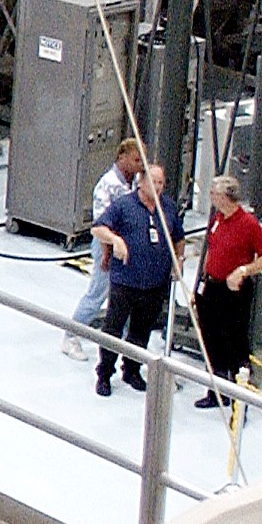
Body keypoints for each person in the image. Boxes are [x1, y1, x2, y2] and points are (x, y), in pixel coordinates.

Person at [93, 164, 187, 397]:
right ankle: (104, 373)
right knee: (113, 328)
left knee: (141, 330)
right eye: (153, 182)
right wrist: (115, 240)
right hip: (126, 281)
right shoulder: (124, 206)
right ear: (141, 182)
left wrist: (179, 260)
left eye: (161, 183)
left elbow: (179, 237)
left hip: (155, 283)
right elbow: (98, 228)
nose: (157, 187)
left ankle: (132, 369)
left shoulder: (168, 208)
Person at [191, 176, 262, 410]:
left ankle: (241, 399)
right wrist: (200, 283)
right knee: (211, 340)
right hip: (211, 287)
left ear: (226, 197)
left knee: (235, 343)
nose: (211, 198)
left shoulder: (248, 224)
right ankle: (217, 391)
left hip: (234, 292)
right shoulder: (217, 219)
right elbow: (212, 250)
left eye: (214, 194)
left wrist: (244, 270)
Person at [62, 137, 147, 359]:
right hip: (107, 247)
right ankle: (71, 336)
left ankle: (132, 345)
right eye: (136, 160)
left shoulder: (135, 183)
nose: (140, 165)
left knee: (127, 295)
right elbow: (101, 225)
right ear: (122, 157)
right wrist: (106, 254)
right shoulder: (108, 184)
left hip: (127, 248)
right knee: (98, 293)